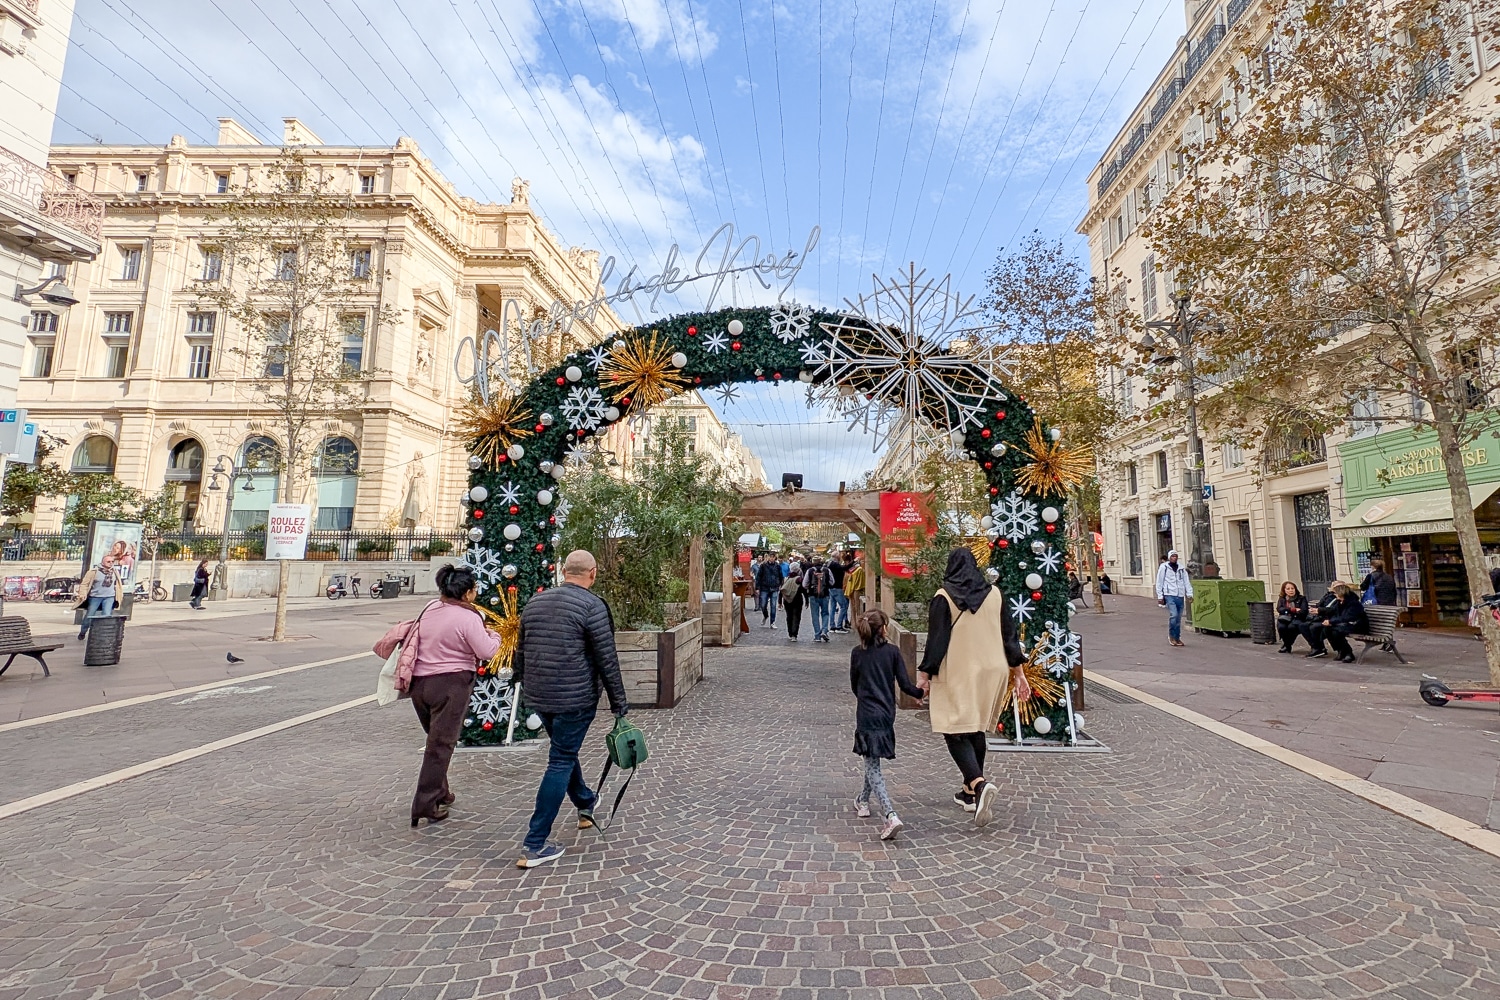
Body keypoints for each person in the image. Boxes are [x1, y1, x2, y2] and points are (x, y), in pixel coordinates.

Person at [513, 550, 629, 868]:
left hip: (540, 695)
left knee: (564, 751)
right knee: (561, 759)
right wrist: (619, 703)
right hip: (575, 698)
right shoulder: (593, 606)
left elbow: (520, 650)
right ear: (592, 573)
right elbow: (607, 658)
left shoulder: (536, 602)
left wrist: (522, 684)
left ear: (564, 571)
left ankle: (586, 802)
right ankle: (534, 843)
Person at [915, 549, 1028, 828]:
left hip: (959, 669)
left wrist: (924, 674)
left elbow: (937, 640)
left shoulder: (944, 597)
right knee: (975, 727)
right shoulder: (996, 594)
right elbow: (1009, 636)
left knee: (953, 728)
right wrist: (1020, 674)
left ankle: (978, 784)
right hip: (994, 670)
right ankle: (968, 793)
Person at [384, 565, 500, 828]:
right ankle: (424, 804)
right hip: (451, 685)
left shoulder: (430, 608)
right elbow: (487, 650)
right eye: (474, 589)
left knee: (436, 740)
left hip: (419, 685)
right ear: (468, 592)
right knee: (441, 745)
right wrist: (496, 635)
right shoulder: (468, 618)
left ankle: (441, 791)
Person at [849, 609, 925, 840]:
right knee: (871, 760)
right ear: (883, 629)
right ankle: (863, 800)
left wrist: (864, 697)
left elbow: (854, 684)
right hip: (885, 714)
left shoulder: (857, 654)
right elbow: (904, 684)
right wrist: (920, 692)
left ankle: (890, 815)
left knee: (872, 766)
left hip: (866, 713)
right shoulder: (892, 652)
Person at [1305, 582, 1367, 662]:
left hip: (1357, 625)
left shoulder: (1353, 603)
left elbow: (1348, 617)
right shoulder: (1340, 601)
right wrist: (1326, 618)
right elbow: (1334, 610)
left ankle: (1348, 653)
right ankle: (1340, 650)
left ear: (1341, 593)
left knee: (1336, 632)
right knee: (1327, 629)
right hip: (1345, 624)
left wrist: (1331, 621)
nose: (1334, 595)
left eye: (1336, 593)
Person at [74, 554, 123, 640]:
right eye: (108, 561)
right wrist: (83, 594)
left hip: (109, 597)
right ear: (103, 562)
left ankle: (102, 634)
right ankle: (83, 632)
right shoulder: (94, 572)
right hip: (95, 597)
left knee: (106, 616)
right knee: (89, 616)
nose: (111, 563)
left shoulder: (114, 571)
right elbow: (84, 584)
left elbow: (118, 584)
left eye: (112, 561)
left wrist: (119, 594)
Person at [1154, 550, 1193, 647]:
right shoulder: (1164, 567)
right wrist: (1160, 596)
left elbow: (1186, 582)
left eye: (1176, 556)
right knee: (1174, 615)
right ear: (1169, 557)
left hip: (1179, 595)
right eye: (1172, 556)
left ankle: (1177, 637)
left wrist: (1189, 594)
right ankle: (1171, 636)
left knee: (1178, 618)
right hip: (1169, 594)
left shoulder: (1181, 568)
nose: (1174, 558)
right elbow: (1159, 582)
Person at [802, 556, 834, 642]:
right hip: (825, 595)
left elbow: (804, 584)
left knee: (815, 615)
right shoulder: (827, 570)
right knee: (825, 613)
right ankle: (824, 630)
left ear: (813, 562)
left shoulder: (810, 571)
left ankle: (817, 636)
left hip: (813, 595)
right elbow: (832, 582)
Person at [1274, 581, 1310, 653]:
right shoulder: (1282, 599)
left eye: (1292, 588)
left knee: (1291, 628)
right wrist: (1292, 609)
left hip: (1297, 618)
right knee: (1282, 627)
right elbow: (1279, 609)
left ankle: (1287, 645)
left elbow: (1303, 611)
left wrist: (1288, 611)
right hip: (1285, 618)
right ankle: (1287, 645)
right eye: (1288, 589)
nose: (1291, 590)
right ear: (1284, 590)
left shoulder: (1301, 598)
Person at [755, 553, 784, 628]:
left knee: (773, 605)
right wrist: (757, 588)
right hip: (764, 587)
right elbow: (758, 576)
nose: (771, 558)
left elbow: (781, 576)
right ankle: (765, 615)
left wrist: (781, 585)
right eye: (770, 557)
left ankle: (772, 622)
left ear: (775, 558)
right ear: (768, 558)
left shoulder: (777, 566)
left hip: (774, 588)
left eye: (773, 557)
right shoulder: (763, 566)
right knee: (763, 604)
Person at [780, 564, 804, 642]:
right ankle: (794, 634)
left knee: (789, 616)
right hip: (797, 600)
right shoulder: (799, 579)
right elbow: (803, 590)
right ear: (798, 570)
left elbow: (781, 590)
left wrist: (779, 601)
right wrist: (807, 600)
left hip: (787, 600)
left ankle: (790, 633)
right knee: (796, 617)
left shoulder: (786, 578)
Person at [827, 552, 850, 633]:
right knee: (844, 606)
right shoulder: (835, 564)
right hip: (837, 588)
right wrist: (854, 562)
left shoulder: (829, 564)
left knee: (833, 607)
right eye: (839, 555)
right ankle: (839, 626)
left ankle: (832, 626)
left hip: (831, 588)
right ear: (837, 557)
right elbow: (844, 568)